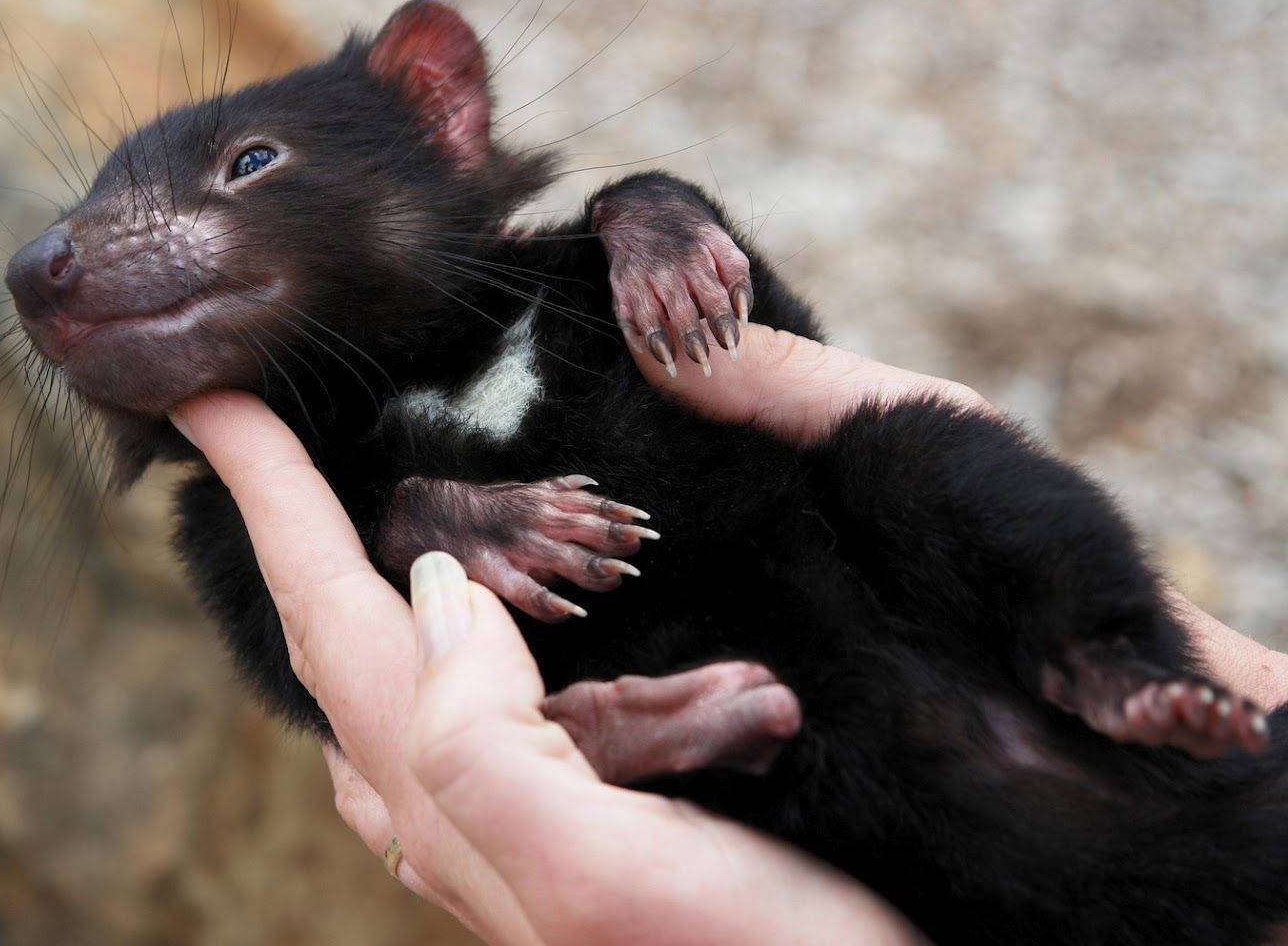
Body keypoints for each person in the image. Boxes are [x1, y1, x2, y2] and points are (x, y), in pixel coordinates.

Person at [170, 322, 1288, 945]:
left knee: (910, 453)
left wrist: (656, 220)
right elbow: (315, 667)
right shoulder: (230, 515)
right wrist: (408, 520)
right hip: (842, 743)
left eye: (249, 166)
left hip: (935, 602)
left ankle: (1099, 654)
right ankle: (696, 738)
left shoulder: (570, 262)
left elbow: (762, 341)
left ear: (441, 106)